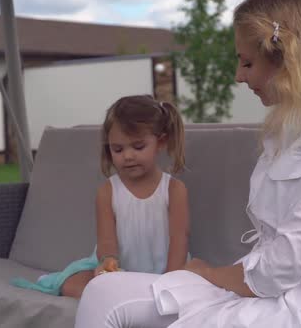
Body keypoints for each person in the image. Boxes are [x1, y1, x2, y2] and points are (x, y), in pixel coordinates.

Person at [74, 0, 301, 326]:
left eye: (247, 63)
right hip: (259, 283)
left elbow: (283, 266)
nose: (238, 77)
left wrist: (209, 273)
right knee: (104, 290)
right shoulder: (290, 132)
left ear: (288, 60)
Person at [11, 95, 190, 299]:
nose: (128, 156)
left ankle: (137, 294)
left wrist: (170, 279)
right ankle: (128, 293)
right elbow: (106, 241)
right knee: (72, 282)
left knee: (194, 279)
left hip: (165, 269)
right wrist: (108, 261)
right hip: (120, 271)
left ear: (161, 142)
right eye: (118, 149)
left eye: (138, 147)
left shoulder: (174, 189)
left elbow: (179, 240)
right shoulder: (108, 191)